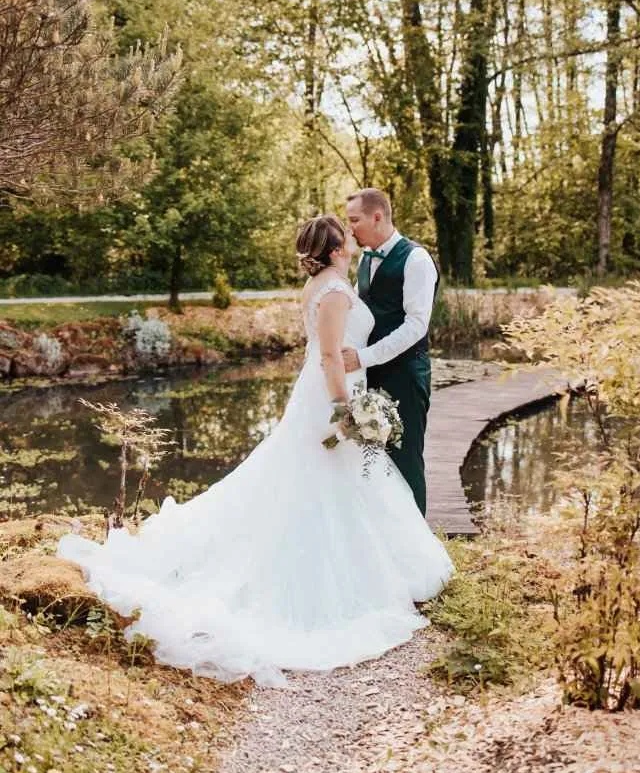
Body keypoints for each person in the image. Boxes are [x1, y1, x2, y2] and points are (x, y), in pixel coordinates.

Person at [57, 214, 452, 687]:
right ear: (333, 250)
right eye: (345, 236)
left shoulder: (328, 285)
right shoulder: (332, 291)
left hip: (334, 388)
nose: (352, 240)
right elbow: (329, 355)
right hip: (331, 396)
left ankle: (374, 569)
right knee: (325, 479)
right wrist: (343, 409)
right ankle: (328, 583)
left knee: (334, 480)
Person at [344, 189, 438, 516]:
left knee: (405, 458)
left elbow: (416, 325)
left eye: (354, 220)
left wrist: (363, 357)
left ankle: (417, 539)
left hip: (405, 375)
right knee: (371, 459)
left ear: (377, 217)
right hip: (366, 376)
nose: (349, 228)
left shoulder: (416, 259)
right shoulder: (365, 259)